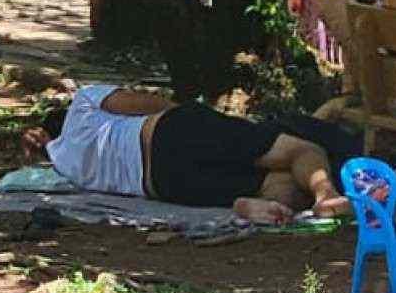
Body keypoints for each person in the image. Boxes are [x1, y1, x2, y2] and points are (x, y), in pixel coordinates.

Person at [32, 81, 354, 223]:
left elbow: (41, 157)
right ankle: (325, 194)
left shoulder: (63, 164)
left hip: (165, 185)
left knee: (273, 183)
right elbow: (142, 103)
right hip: (168, 134)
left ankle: (253, 205)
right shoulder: (83, 102)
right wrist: (191, 115)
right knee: (299, 149)